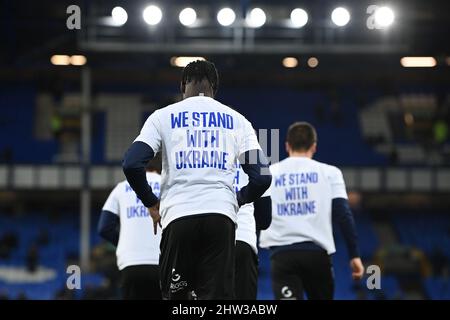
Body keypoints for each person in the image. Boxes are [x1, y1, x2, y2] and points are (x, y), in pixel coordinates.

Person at [122, 60, 271, 300]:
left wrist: (151, 202)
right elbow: (262, 178)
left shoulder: (162, 117)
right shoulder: (238, 121)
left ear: (182, 85)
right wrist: (239, 199)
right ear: (215, 87)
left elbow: (131, 163)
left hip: (178, 219)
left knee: (178, 301)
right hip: (221, 219)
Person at [259, 121, 364, 300]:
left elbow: (259, 214)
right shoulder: (330, 173)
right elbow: (343, 214)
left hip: (282, 256)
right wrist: (354, 255)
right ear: (314, 146)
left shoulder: (269, 173)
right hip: (318, 256)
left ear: (287, 145)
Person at [98, 157, 162, 300]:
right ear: (160, 170)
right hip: (163, 263)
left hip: (130, 264)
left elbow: (104, 228)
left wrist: (121, 243)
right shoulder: (167, 184)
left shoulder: (121, 188)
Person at [233, 162, 271, 300]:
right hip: (242, 238)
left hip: (206, 240)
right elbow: (265, 219)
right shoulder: (256, 159)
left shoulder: (198, 151)